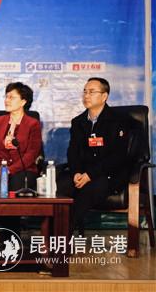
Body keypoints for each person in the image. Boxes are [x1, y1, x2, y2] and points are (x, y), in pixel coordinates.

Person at [58, 77, 131, 232]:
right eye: (85, 92)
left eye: (92, 92)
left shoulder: (119, 120)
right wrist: (76, 172)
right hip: (82, 173)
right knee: (60, 186)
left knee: (90, 189)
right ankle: (54, 232)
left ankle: (64, 233)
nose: (86, 96)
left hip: (108, 174)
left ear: (104, 96)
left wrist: (90, 175)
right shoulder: (78, 122)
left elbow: (118, 156)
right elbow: (73, 152)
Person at [0, 82, 42, 193]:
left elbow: (31, 154)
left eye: (12, 97)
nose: (7, 100)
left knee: (17, 184)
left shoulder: (33, 124)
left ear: (23, 102)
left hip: (23, 169)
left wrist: (9, 170)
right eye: (6, 97)